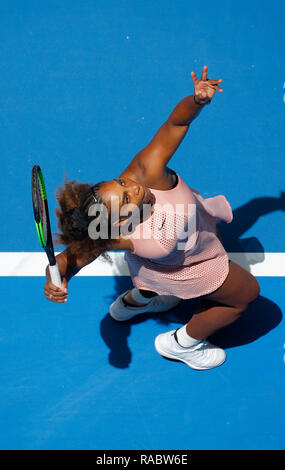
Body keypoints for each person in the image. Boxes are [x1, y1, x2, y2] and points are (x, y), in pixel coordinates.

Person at [44, 66, 260, 370]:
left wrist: (197, 101)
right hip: (190, 264)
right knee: (246, 295)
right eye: (127, 198)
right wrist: (58, 278)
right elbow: (77, 255)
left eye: (121, 183)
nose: (132, 186)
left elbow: (176, 122)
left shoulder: (142, 174)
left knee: (152, 279)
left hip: (163, 261)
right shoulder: (141, 238)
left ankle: (135, 303)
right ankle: (182, 344)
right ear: (118, 223)